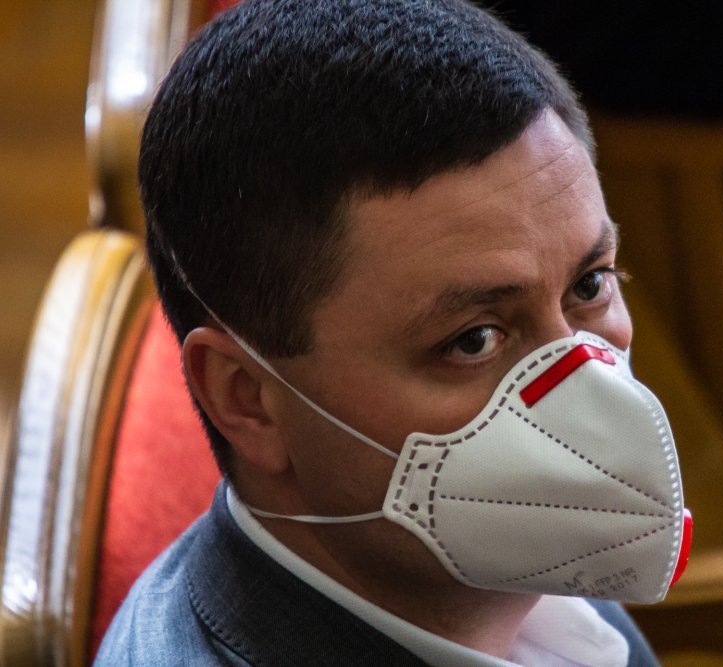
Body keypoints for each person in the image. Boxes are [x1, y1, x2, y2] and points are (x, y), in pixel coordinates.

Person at [95, 0, 690, 664]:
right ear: (248, 398)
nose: (576, 382)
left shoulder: (505, 572)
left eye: (589, 285)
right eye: (474, 340)